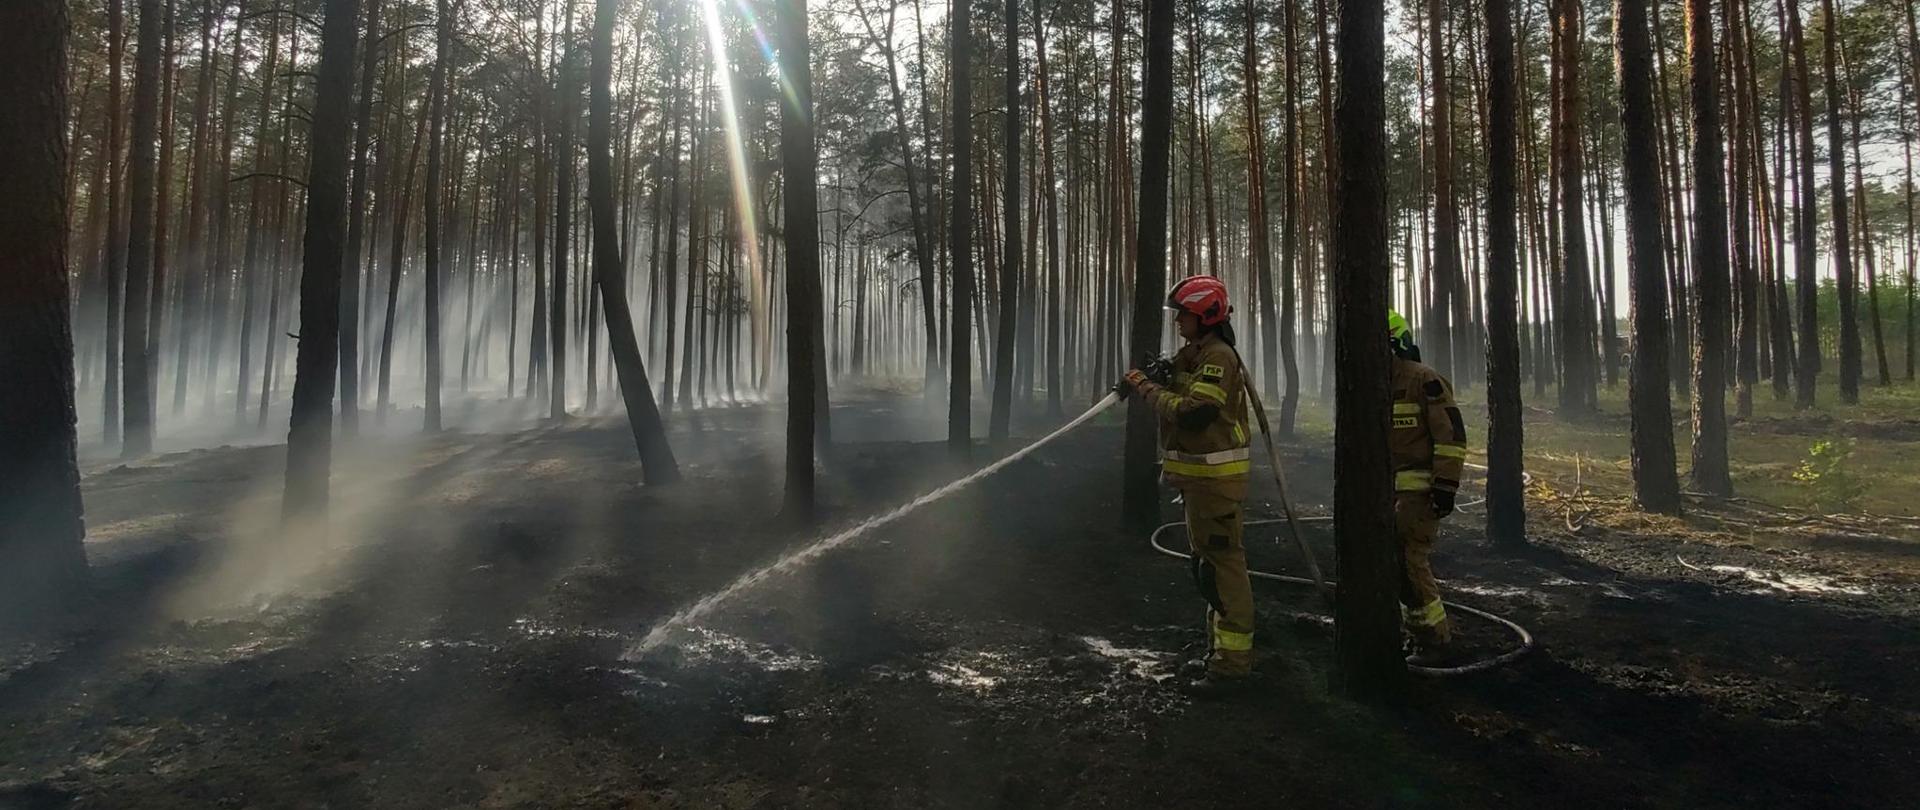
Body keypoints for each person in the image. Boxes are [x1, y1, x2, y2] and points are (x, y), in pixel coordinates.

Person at [1121, 275, 1254, 691]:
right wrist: (1157, 372)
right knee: (1207, 570)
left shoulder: (1218, 358)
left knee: (1222, 571)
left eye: (1184, 314)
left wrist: (1147, 389)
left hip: (1215, 485)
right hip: (1200, 486)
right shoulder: (1196, 354)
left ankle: (1232, 666)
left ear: (1205, 316)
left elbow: (1196, 413)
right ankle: (1221, 654)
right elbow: (1179, 378)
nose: (1177, 321)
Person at [1387, 310, 1468, 666]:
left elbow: (1451, 436)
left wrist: (1445, 486)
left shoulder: (1424, 380)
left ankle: (1435, 640)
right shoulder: (1379, 385)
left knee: (1409, 562)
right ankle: (1417, 636)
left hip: (1418, 495)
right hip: (1389, 495)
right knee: (1394, 565)